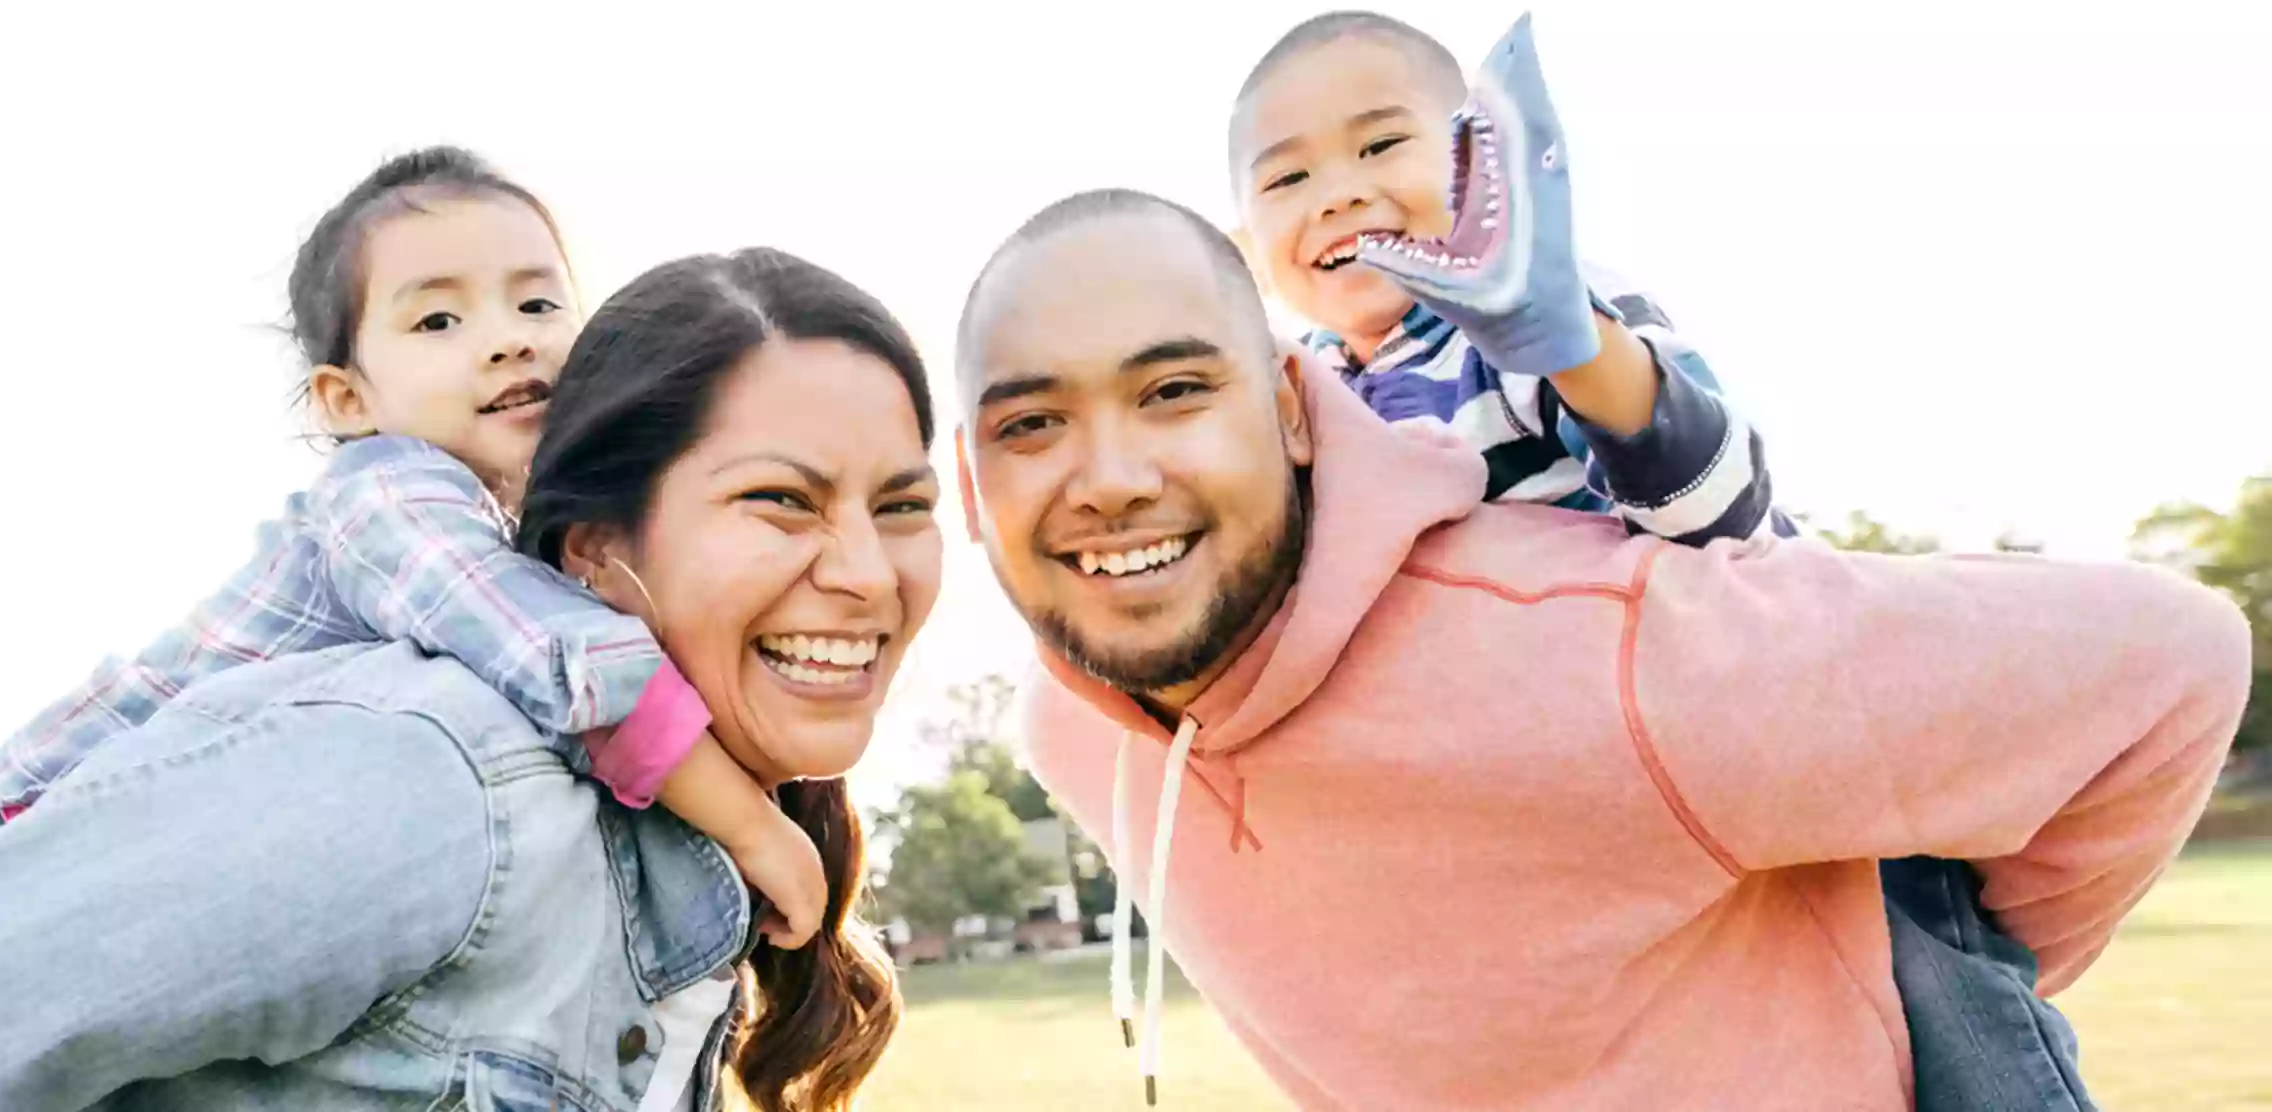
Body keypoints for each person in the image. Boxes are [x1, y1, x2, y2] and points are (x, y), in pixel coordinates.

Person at [950, 186, 2250, 1109]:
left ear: (1297, 410)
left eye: (1176, 391)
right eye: (1031, 426)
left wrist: (1917, 969)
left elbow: (2168, 664)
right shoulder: (1073, 729)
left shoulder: (1609, 656)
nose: (1108, 479)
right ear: (970, 480)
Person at [0, 246, 946, 1112]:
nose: (867, 573)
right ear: (592, 555)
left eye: (902, 505)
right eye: (779, 502)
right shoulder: (429, 793)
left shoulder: (691, 892)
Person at [1224, 13, 2084, 1108]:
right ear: (1247, 245)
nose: (1339, 190)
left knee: (1945, 1006)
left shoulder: (1532, 320)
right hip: (1593, 812)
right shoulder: (1299, 405)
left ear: (1482, 164)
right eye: (1289, 175)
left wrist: (1576, 355)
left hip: (1784, 737)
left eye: (1381, 145)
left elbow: (1723, 507)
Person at [0, 146, 827, 948]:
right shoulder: (390, 491)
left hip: (143, 848)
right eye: (438, 321)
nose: (506, 342)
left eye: (539, 304)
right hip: (27, 831)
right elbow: (562, 658)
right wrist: (750, 827)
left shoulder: (509, 525)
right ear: (348, 401)